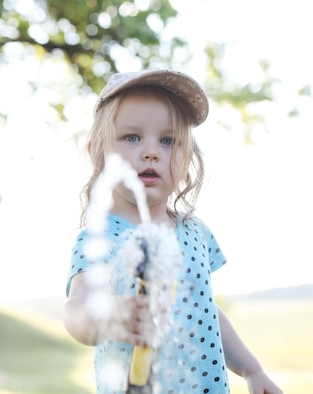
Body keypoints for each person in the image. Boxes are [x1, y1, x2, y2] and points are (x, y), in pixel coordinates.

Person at [63, 69, 283, 394]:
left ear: (186, 157)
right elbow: (77, 308)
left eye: (168, 141)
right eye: (132, 137)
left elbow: (204, 309)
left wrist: (252, 370)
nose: (151, 152)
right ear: (97, 150)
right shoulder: (101, 238)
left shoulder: (195, 232)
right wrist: (109, 316)